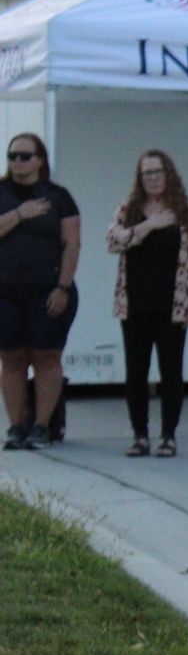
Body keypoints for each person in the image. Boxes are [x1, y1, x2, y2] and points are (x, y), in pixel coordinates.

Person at [106, 150, 188, 458]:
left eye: (157, 172)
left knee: (171, 372)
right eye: (146, 173)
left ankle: (168, 436)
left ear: (169, 175)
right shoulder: (128, 211)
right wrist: (148, 226)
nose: (152, 178)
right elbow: (113, 242)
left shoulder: (187, 213)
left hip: (173, 305)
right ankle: (140, 436)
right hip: (135, 304)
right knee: (136, 373)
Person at [0, 132, 80, 451]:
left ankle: (42, 426)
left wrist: (63, 286)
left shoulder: (58, 197)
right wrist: (20, 214)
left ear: (40, 160)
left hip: (48, 289)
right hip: (5, 290)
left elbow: (71, 243)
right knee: (12, 357)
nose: (18, 162)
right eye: (12, 156)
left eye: (24, 156)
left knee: (46, 356)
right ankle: (16, 426)